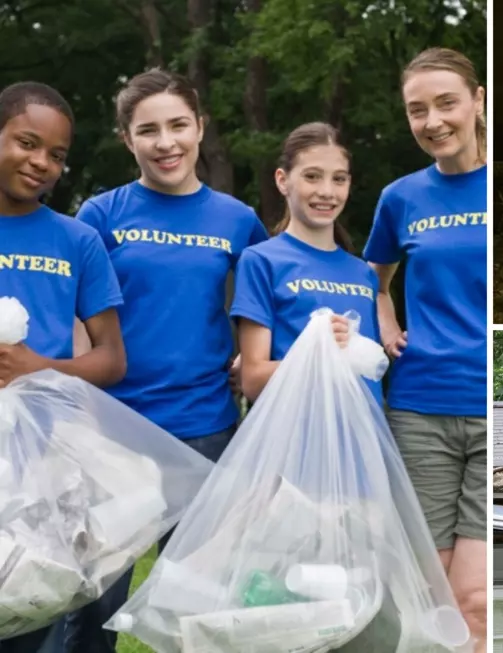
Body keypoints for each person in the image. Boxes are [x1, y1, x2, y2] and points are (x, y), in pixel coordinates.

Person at [66, 69, 267, 653]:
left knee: (199, 605)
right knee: (94, 604)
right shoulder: (100, 216)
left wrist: (249, 355)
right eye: (148, 130)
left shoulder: (236, 219)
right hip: (113, 435)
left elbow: (268, 301)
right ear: (128, 139)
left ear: (200, 128)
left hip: (204, 431)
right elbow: (76, 320)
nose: (166, 142)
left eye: (179, 125)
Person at [363, 47, 488, 651]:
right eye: (418, 111)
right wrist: (386, 321)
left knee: (476, 598)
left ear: (478, 101)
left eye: (446, 103)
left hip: (495, 412)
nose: (433, 121)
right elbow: (374, 279)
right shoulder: (401, 197)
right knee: (428, 594)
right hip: (419, 409)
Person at [0, 82, 126, 653]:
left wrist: (38, 367)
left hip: (41, 467)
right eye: (27, 143)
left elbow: (110, 359)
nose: (42, 163)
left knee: (27, 610)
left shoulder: (78, 240)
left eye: (56, 154)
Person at [231, 122, 376, 403]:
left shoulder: (363, 273)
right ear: (282, 180)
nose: (327, 191)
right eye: (312, 176)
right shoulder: (261, 261)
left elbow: (371, 374)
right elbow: (253, 380)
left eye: (339, 179)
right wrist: (318, 352)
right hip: (297, 439)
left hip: (363, 439)